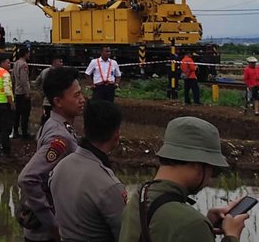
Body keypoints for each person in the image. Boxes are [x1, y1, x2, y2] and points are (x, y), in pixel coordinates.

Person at [119, 116, 249, 242]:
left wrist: (207, 225)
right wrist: (232, 236)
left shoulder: (138, 198)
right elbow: (182, 227)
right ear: (197, 165)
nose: (210, 178)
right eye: (212, 170)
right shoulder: (192, 224)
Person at [17, 66, 85, 242]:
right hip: (45, 236)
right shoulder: (59, 136)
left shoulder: (55, 123)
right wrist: (52, 224)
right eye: (76, 95)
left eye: (81, 94)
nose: (82, 100)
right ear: (58, 101)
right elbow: (28, 178)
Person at [50, 100, 126, 242]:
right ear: (116, 135)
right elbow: (125, 235)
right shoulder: (109, 185)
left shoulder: (59, 168)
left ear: (84, 129)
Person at [0, 57, 15, 156]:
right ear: (2, 63)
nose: (10, 65)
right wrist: (11, 102)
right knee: (5, 128)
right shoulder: (5, 74)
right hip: (5, 104)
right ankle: (6, 150)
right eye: (8, 63)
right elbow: (7, 89)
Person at [35, 56, 63, 125]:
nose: (62, 64)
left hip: (55, 100)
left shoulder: (60, 73)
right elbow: (37, 83)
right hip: (49, 101)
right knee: (48, 117)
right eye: (60, 61)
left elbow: (37, 84)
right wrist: (43, 93)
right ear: (54, 62)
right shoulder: (48, 72)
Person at [13, 47, 32, 139]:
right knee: (25, 113)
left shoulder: (16, 63)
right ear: (25, 54)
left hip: (17, 92)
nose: (29, 55)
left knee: (17, 113)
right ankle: (24, 133)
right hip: (23, 93)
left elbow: (13, 77)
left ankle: (15, 131)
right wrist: (27, 93)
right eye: (28, 53)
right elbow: (24, 80)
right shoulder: (24, 65)